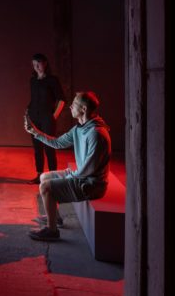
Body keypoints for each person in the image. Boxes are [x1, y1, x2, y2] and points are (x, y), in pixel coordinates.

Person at [24, 91, 111, 241]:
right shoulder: (79, 128)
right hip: (82, 176)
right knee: (44, 176)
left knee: (46, 187)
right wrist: (35, 132)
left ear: (83, 109)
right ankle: (55, 218)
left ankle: (52, 231)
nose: (70, 106)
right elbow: (57, 143)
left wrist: (70, 176)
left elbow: (88, 170)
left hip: (92, 184)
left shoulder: (96, 134)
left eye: (74, 104)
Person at [26, 53, 65, 184]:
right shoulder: (33, 80)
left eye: (38, 63)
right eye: (34, 64)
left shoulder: (52, 80)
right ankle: (39, 175)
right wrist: (27, 113)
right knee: (37, 148)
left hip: (47, 118)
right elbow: (33, 100)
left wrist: (54, 116)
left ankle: (52, 177)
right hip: (34, 117)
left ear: (45, 63)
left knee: (49, 147)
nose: (36, 66)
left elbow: (62, 99)